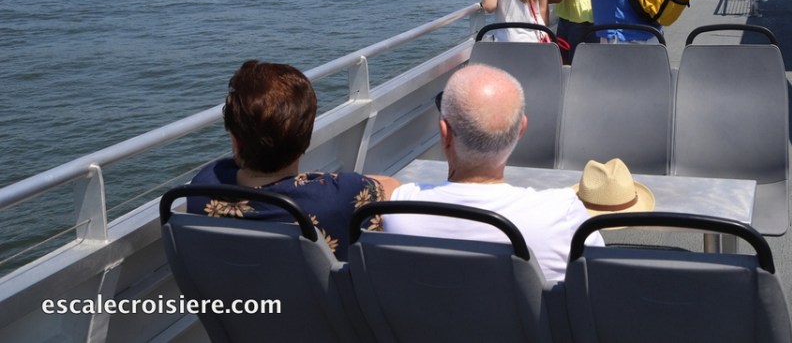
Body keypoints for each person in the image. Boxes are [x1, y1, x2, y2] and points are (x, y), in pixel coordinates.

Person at [385, 64, 603, 282]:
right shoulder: (562, 212)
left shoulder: (399, 209)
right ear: (521, 130)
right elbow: (599, 284)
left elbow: (379, 186)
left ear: (445, 133)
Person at [188, 60, 401, 261]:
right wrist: (323, 179)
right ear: (306, 136)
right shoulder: (341, 196)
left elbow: (233, 171)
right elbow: (392, 187)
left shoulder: (202, 190)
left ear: (235, 139)